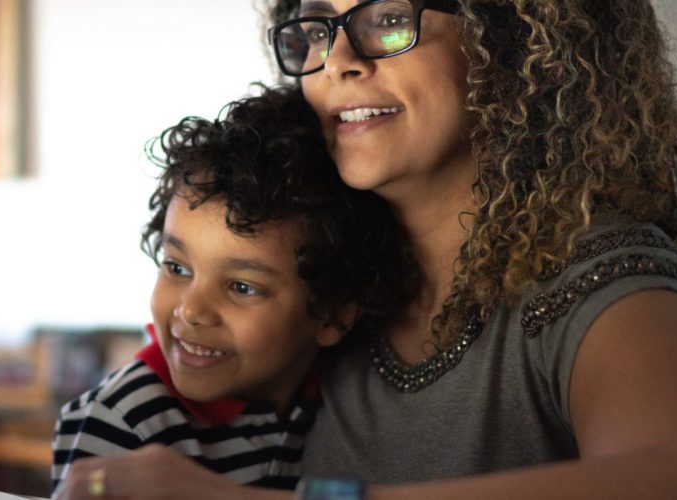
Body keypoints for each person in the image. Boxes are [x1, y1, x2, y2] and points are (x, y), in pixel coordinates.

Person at [53, 1, 677, 499]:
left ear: (514, 40)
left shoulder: (589, 273)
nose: (335, 59)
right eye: (314, 26)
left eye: (388, 19)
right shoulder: (321, 260)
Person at [50, 86, 416, 494]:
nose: (191, 310)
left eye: (242, 287)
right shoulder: (124, 420)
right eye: (176, 267)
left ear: (332, 314)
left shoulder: (335, 397)